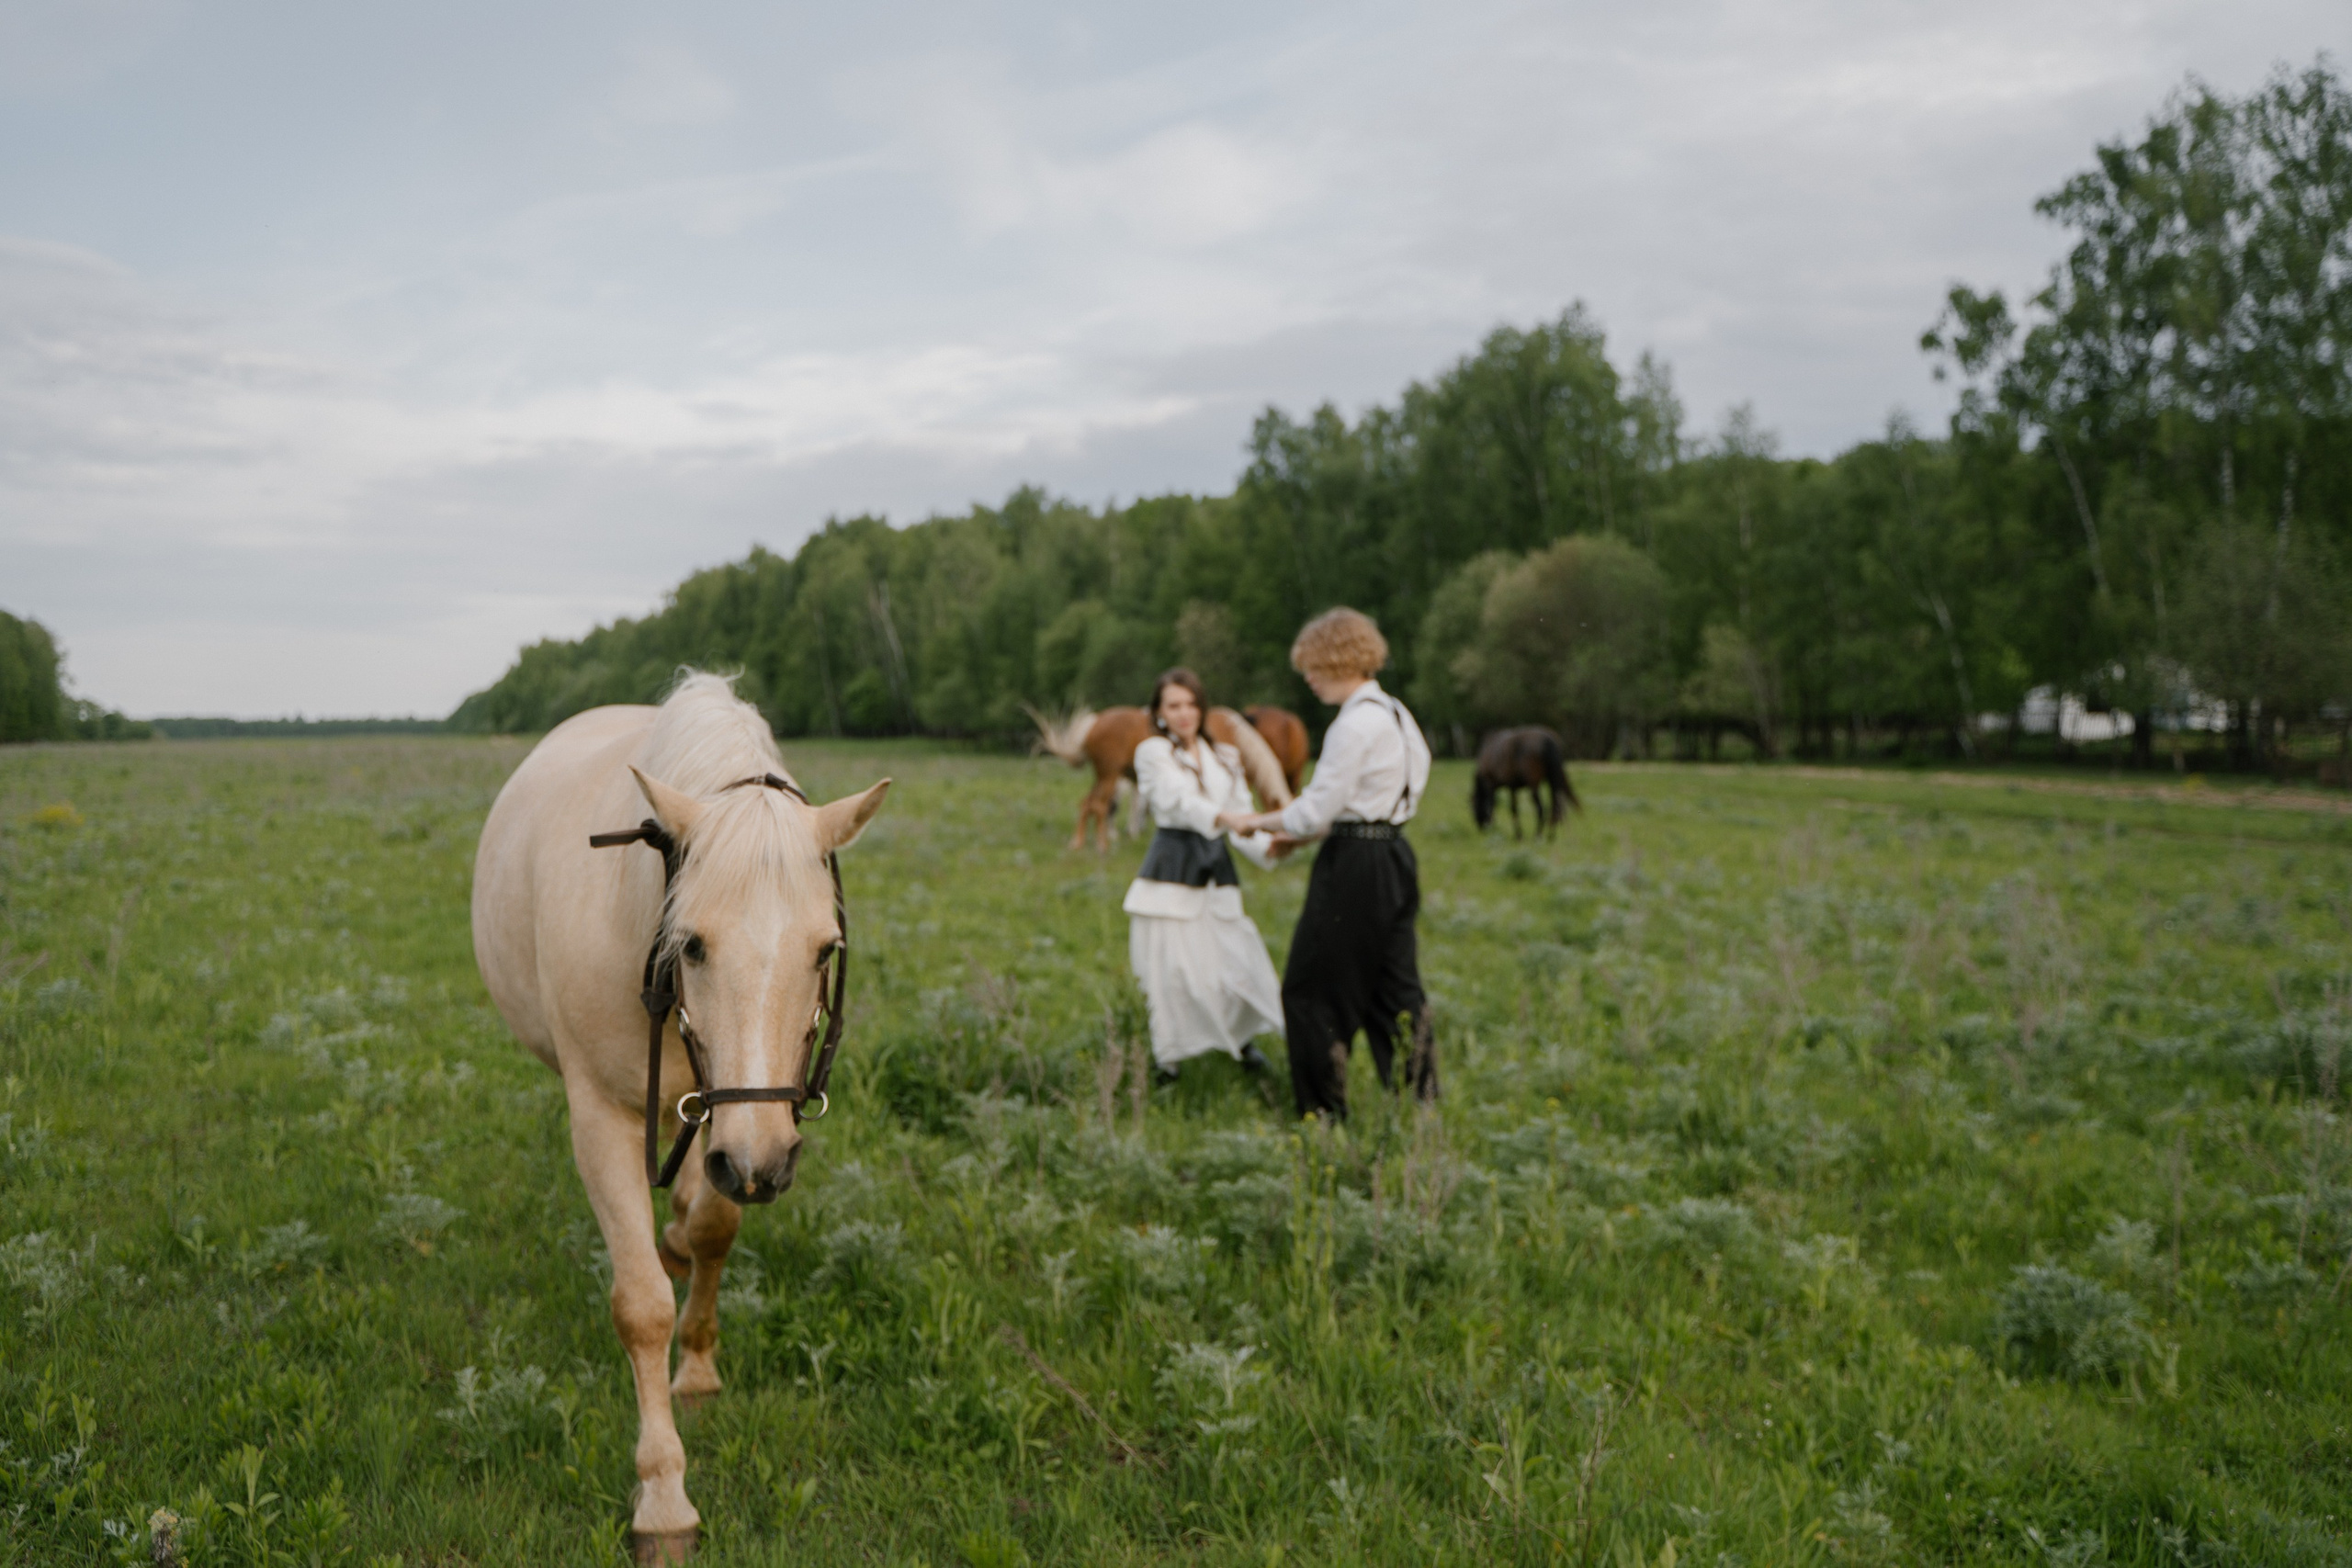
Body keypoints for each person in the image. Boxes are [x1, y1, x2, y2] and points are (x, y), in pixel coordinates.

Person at [1221, 608, 1434, 1120]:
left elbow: (1316, 809)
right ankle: (1419, 1104)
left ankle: (1322, 1114)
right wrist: (1306, 833)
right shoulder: (1397, 714)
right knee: (1394, 988)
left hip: (1355, 864)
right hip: (1394, 856)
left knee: (1309, 990)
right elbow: (1371, 800)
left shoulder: (1353, 724)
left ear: (1338, 660)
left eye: (1313, 667)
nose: (1309, 679)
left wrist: (1256, 822)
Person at [1124, 667, 1288, 1083]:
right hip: (1171, 873)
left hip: (1216, 872)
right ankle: (1168, 1063)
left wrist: (1270, 846)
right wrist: (1225, 818)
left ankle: (1242, 1041)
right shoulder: (1152, 753)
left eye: (1191, 704)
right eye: (1173, 706)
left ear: (1202, 708)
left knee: (1236, 962)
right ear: (1159, 713)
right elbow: (1177, 800)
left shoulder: (1226, 757)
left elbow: (1243, 818)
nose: (1184, 714)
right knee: (1174, 974)